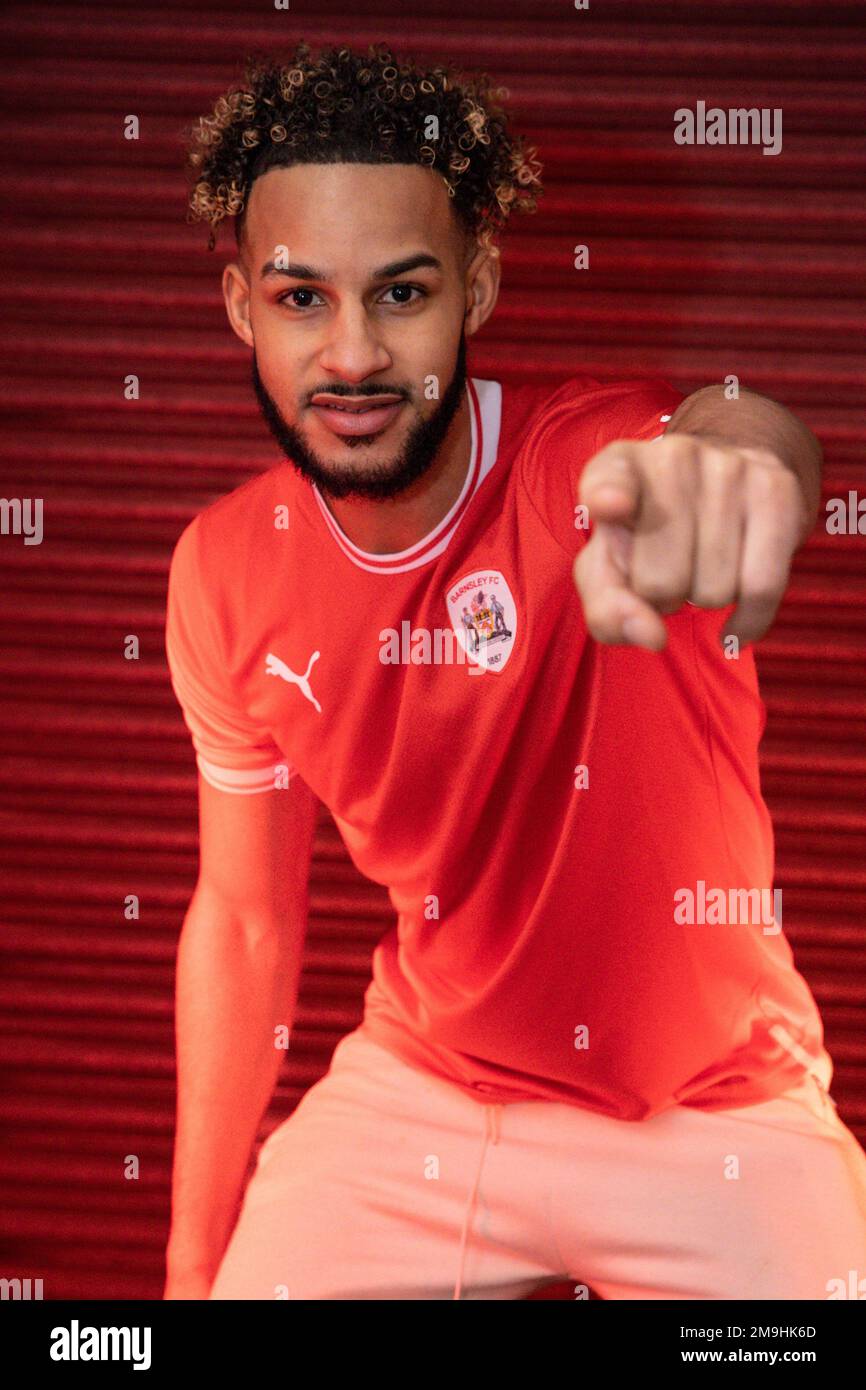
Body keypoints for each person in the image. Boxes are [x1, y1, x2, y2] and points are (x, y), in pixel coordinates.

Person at [162, 40, 866, 1300]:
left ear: (475, 287)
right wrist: (188, 1262)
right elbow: (247, 917)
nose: (355, 356)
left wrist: (744, 464)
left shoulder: (584, 463)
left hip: (711, 1114)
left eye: (402, 292)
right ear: (238, 307)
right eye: (300, 298)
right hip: (424, 1091)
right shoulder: (223, 571)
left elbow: (722, 427)